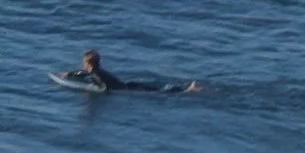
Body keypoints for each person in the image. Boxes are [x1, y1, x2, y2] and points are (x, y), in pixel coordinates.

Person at [57, 50, 199, 95]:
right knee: (158, 89)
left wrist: (68, 75)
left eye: (84, 62)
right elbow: (84, 73)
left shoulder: (94, 72)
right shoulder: (98, 70)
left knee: (158, 92)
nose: (83, 64)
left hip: (127, 89)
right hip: (128, 85)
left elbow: (83, 74)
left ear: (88, 63)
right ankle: (185, 88)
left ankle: (187, 90)